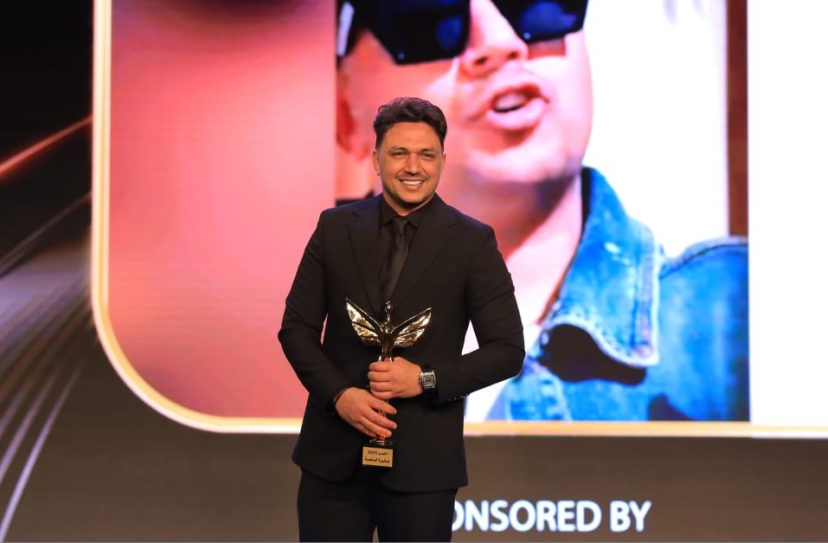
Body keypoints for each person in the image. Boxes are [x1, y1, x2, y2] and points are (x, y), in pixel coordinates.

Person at [334, 0, 749, 421]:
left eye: (533, 2)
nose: (500, 42)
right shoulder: (306, 332)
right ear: (343, 108)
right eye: (429, 14)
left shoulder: (744, 316)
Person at [279, 97, 524, 541]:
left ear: (442, 161)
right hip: (332, 459)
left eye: (426, 154)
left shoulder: (472, 242)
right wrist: (340, 395)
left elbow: (507, 351)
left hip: (423, 466)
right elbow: (296, 330)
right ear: (376, 160)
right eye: (399, 153)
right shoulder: (334, 228)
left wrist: (425, 379)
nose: (413, 167)